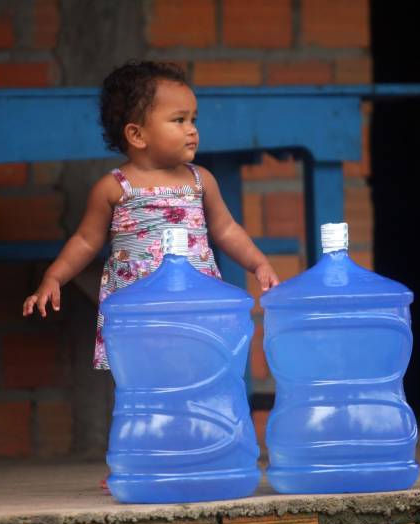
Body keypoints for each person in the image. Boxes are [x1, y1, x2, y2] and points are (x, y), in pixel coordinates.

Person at [22, 60, 280, 493]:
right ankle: (134, 459)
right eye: (178, 120)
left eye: (193, 119)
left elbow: (226, 230)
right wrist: (53, 278)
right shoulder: (115, 187)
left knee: (200, 382)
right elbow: (86, 242)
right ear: (136, 135)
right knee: (142, 390)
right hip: (140, 319)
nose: (192, 129)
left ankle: (206, 452)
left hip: (195, 312)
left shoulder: (201, 181)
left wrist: (258, 263)